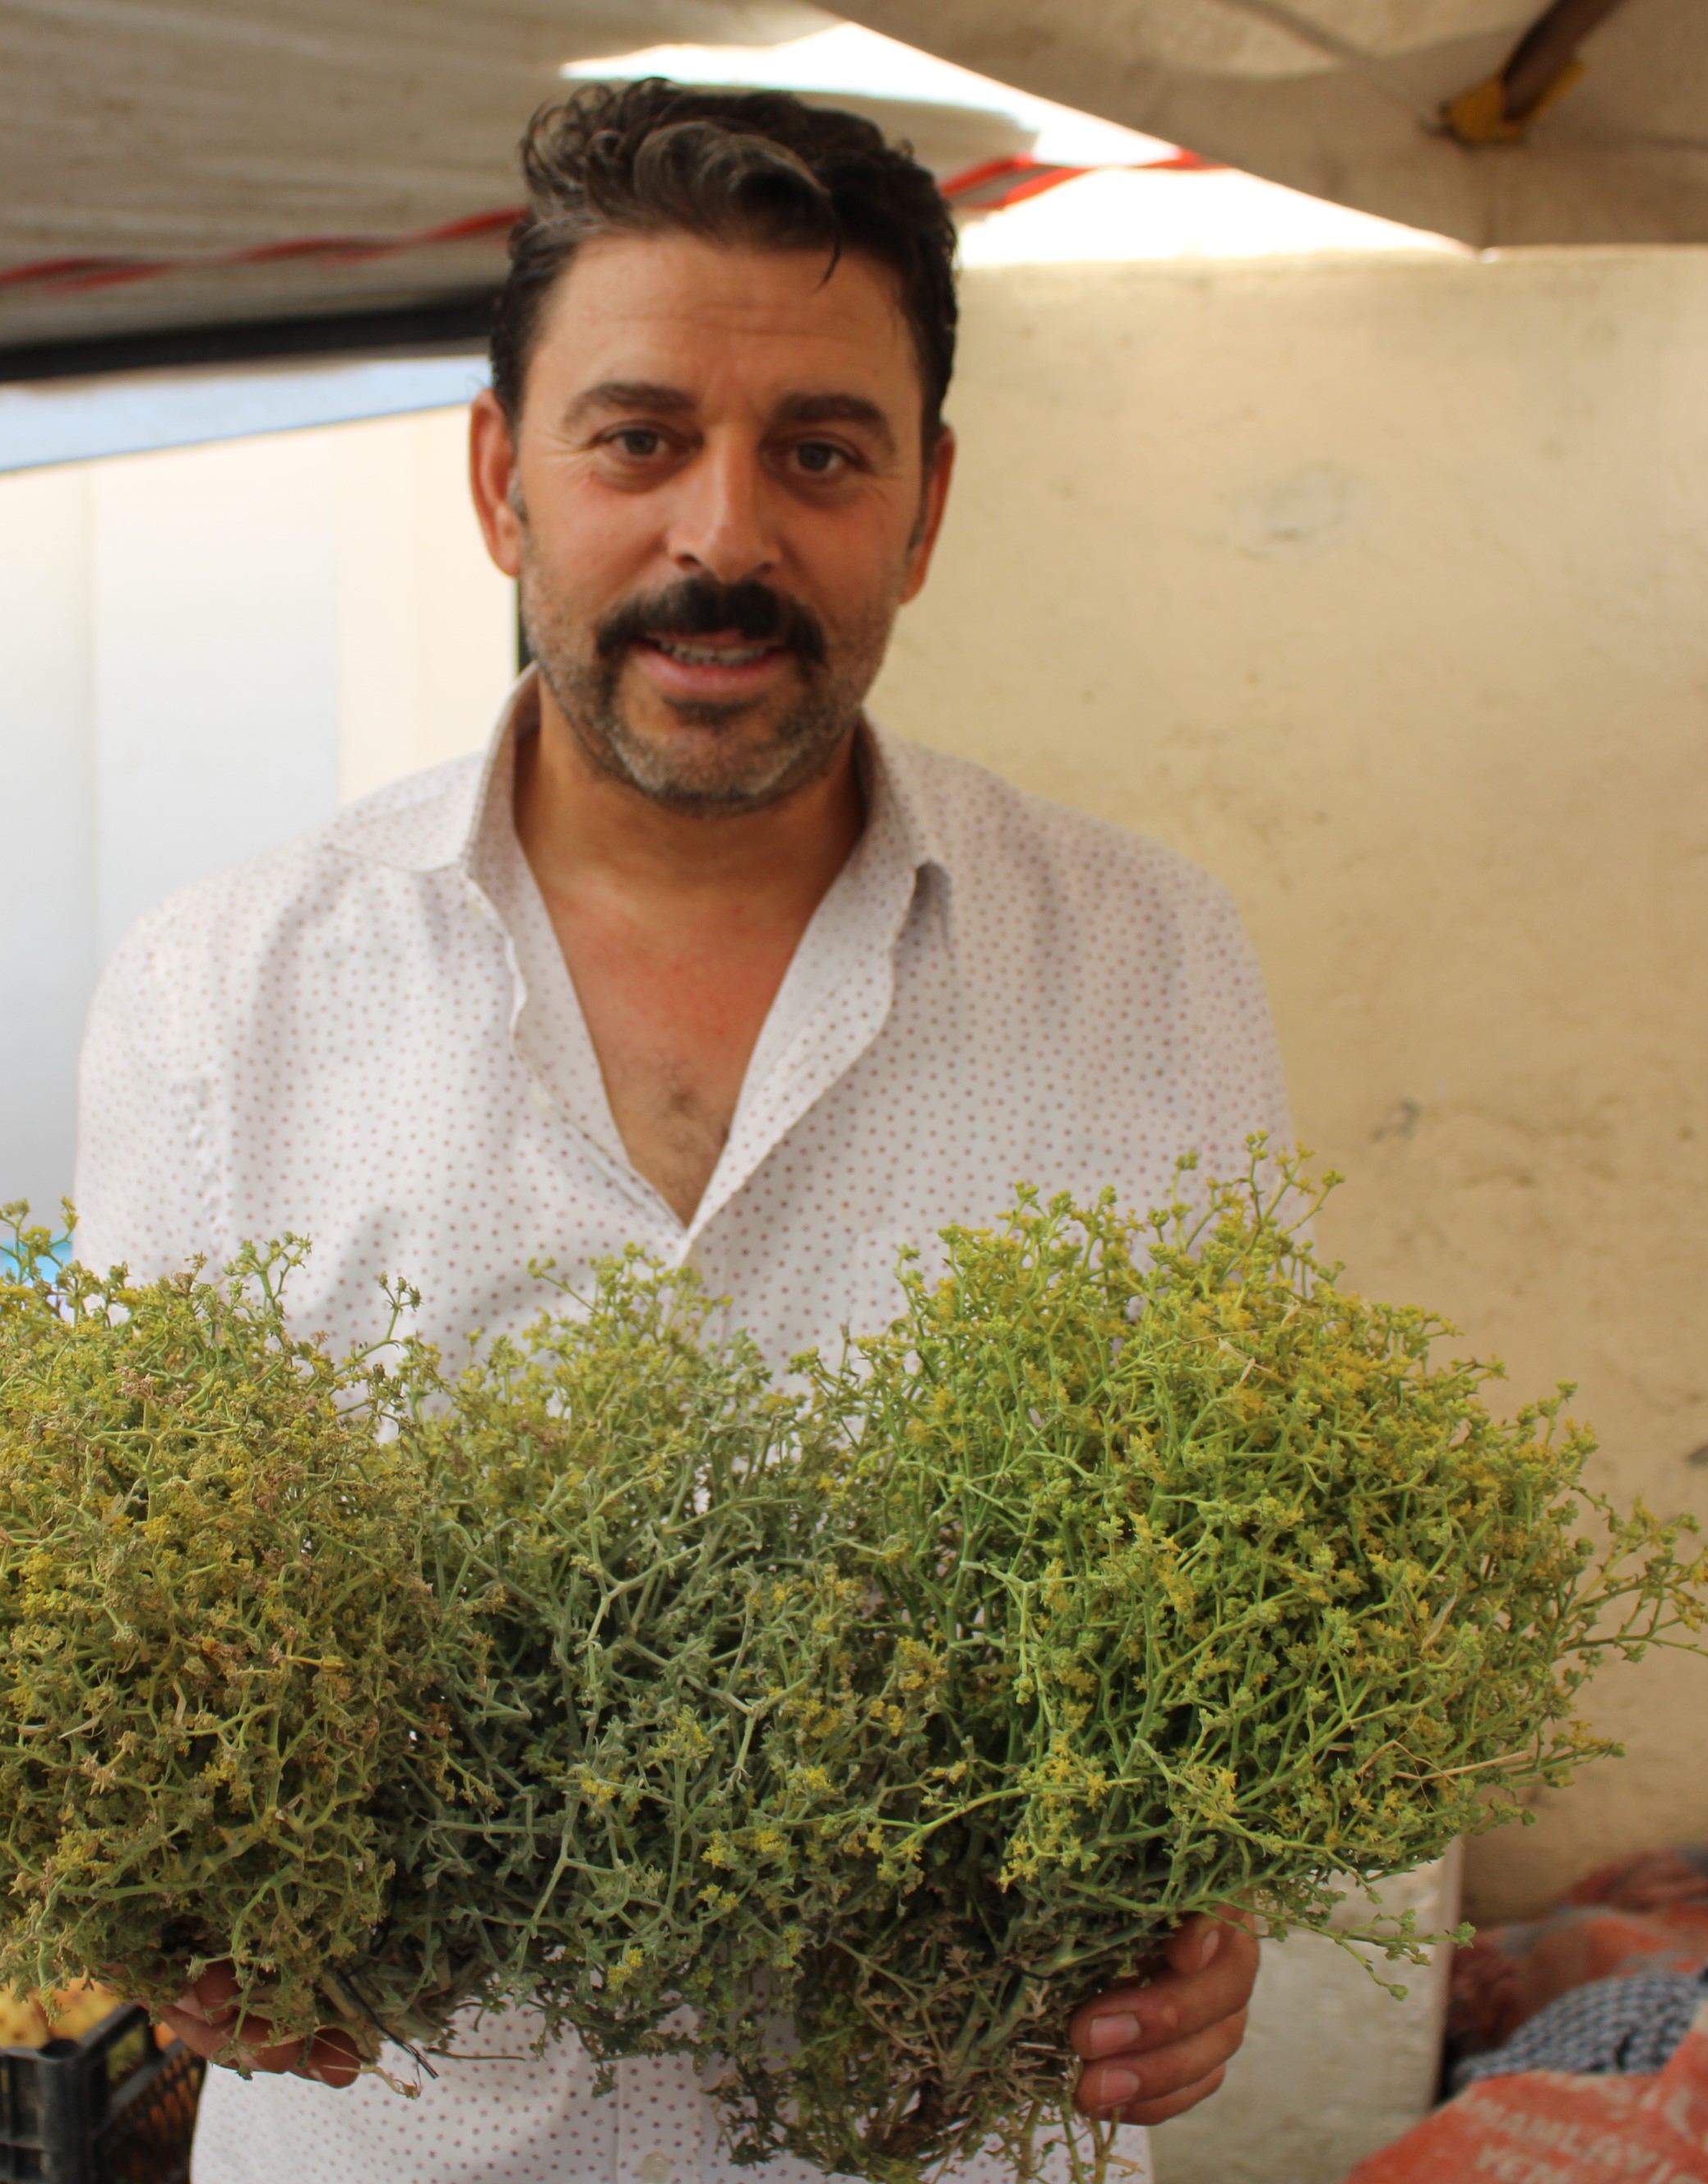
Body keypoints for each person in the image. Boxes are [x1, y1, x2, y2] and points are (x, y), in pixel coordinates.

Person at [73, 76, 1286, 2184]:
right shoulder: (223, 992)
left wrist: (1211, 1893)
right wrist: (175, 1894)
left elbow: (1232, 1584)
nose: (723, 537)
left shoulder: (1148, 962)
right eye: (638, 439)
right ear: (501, 481)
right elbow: (134, 1619)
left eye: (820, 452)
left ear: (922, 506)